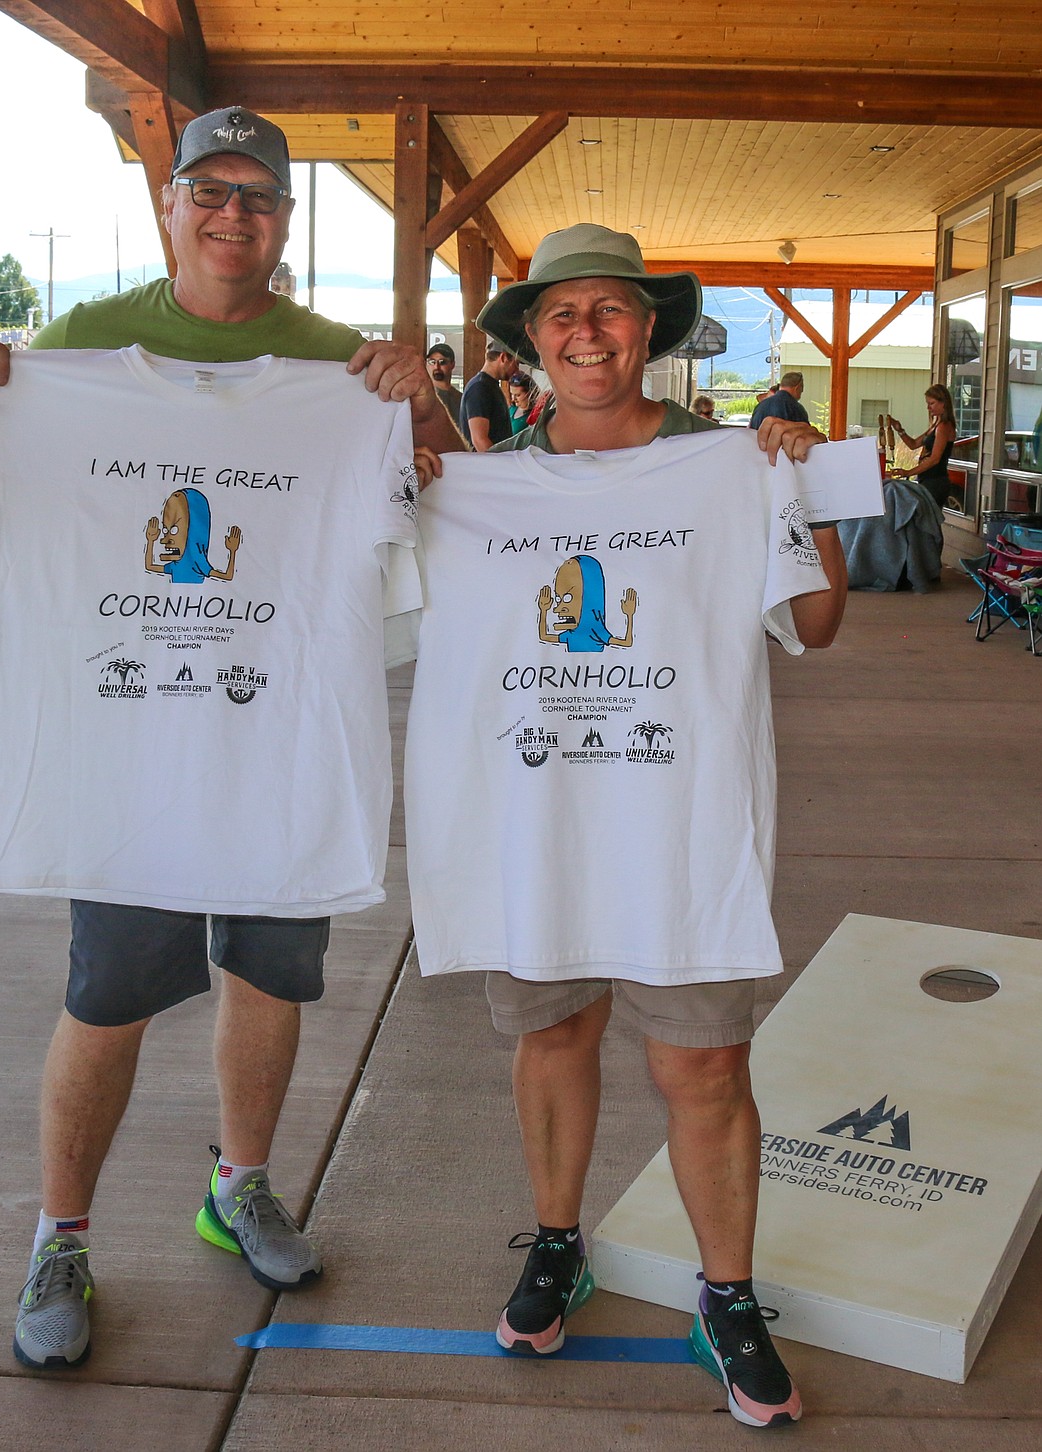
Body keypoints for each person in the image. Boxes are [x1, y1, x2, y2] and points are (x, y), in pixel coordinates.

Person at [0, 105, 458, 1373]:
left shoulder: (339, 366)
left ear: (286, 221)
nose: (233, 214)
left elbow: (438, 492)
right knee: (107, 996)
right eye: (208, 191)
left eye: (259, 198)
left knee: (271, 975)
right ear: (168, 206)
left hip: (275, 738)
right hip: (127, 752)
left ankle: (242, 1184)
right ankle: (60, 1235)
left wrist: (420, 409)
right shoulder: (78, 346)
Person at [409, 223, 845, 1430]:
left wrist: (794, 486)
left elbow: (813, 624)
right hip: (536, 816)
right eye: (561, 313)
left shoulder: (731, 461)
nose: (586, 331)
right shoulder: (477, 487)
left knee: (702, 1063)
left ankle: (727, 1292)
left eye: (609, 309)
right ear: (531, 341)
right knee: (553, 1037)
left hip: (680, 822)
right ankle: (560, 1242)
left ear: (649, 327)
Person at [887, 385, 958, 509]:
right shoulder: (935, 425)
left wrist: (908, 472)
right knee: (926, 522)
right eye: (927, 403)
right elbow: (913, 444)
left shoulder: (944, 427)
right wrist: (899, 430)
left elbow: (934, 458)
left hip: (936, 481)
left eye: (932, 403)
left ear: (943, 403)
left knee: (925, 521)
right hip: (927, 480)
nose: (928, 408)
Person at [458, 339, 517, 449]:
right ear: (503, 358)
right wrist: (500, 465)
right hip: (485, 465)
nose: (516, 369)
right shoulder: (479, 388)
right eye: (515, 363)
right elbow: (479, 440)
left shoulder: (490, 386)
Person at [426, 341, 463, 429]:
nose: (437, 367)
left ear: (452, 364)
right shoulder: (424, 397)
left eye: (442, 362)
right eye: (432, 362)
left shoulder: (461, 398)